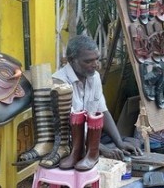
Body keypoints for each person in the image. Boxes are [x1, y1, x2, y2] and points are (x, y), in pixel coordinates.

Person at [53, 35, 142, 168]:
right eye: (88, 61)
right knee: (109, 155)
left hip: (90, 138)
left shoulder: (93, 77)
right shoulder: (59, 84)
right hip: (67, 143)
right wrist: (101, 149)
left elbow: (102, 110)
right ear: (71, 60)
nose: (95, 65)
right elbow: (70, 129)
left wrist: (119, 142)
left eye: (97, 59)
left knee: (132, 144)